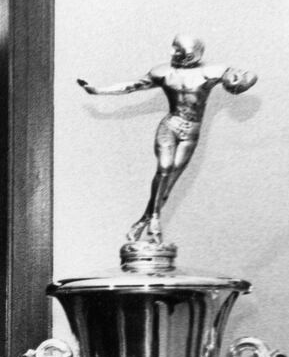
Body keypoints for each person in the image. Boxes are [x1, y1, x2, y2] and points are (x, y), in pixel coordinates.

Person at [78, 35, 257, 247]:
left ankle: (143, 220)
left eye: (182, 53)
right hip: (170, 125)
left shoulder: (214, 71)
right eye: (175, 51)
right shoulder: (164, 72)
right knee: (164, 168)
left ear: (195, 54)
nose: (176, 55)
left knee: (169, 183)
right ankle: (154, 221)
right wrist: (98, 90)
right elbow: (131, 86)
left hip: (191, 131)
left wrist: (238, 82)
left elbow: (246, 77)